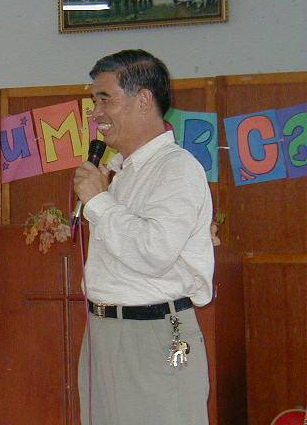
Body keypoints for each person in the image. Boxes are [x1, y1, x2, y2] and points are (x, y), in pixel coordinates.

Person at [73, 50, 214, 425]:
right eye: (94, 101)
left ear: (144, 100)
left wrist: (99, 202)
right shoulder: (121, 170)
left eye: (105, 99)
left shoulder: (178, 169)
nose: (96, 113)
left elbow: (154, 253)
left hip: (158, 333)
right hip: (104, 331)